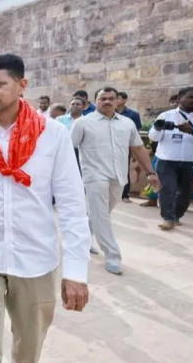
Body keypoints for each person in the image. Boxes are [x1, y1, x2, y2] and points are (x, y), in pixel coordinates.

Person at [0, 54, 90, 363]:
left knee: (28, 347)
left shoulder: (52, 135)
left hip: (35, 257)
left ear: (22, 85)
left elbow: (72, 204)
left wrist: (76, 271)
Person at [71, 87, 159, 275]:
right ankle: (113, 256)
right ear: (95, 101)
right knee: (101, 215)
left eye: (112, 98)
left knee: (100, 213)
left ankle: (82, 240)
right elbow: (68, 149)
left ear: (118, 101)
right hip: (93, 176)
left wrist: (151, 172)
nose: (108, 101)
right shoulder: (82, 123)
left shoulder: (127, 124)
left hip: (119, 176)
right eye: (103, 98)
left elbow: (138, 148)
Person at [149, 86, 193, 230]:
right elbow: (152, 137)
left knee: (186, 194)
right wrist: (158, 128)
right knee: (167, 189)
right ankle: (168, 218)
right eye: (190, 97)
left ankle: (176, 215)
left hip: (190, 162)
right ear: (179, 99)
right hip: (166, 160)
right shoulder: (166, 115)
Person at [116, 91, 143, 203]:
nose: (117, 100)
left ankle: (125, 195)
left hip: (125, 146)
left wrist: (133, 149)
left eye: (119, 98)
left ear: (124, 100)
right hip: (109, 145)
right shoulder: (109, 112)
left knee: (125, 169)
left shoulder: (133, 114)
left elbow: (136, 132)